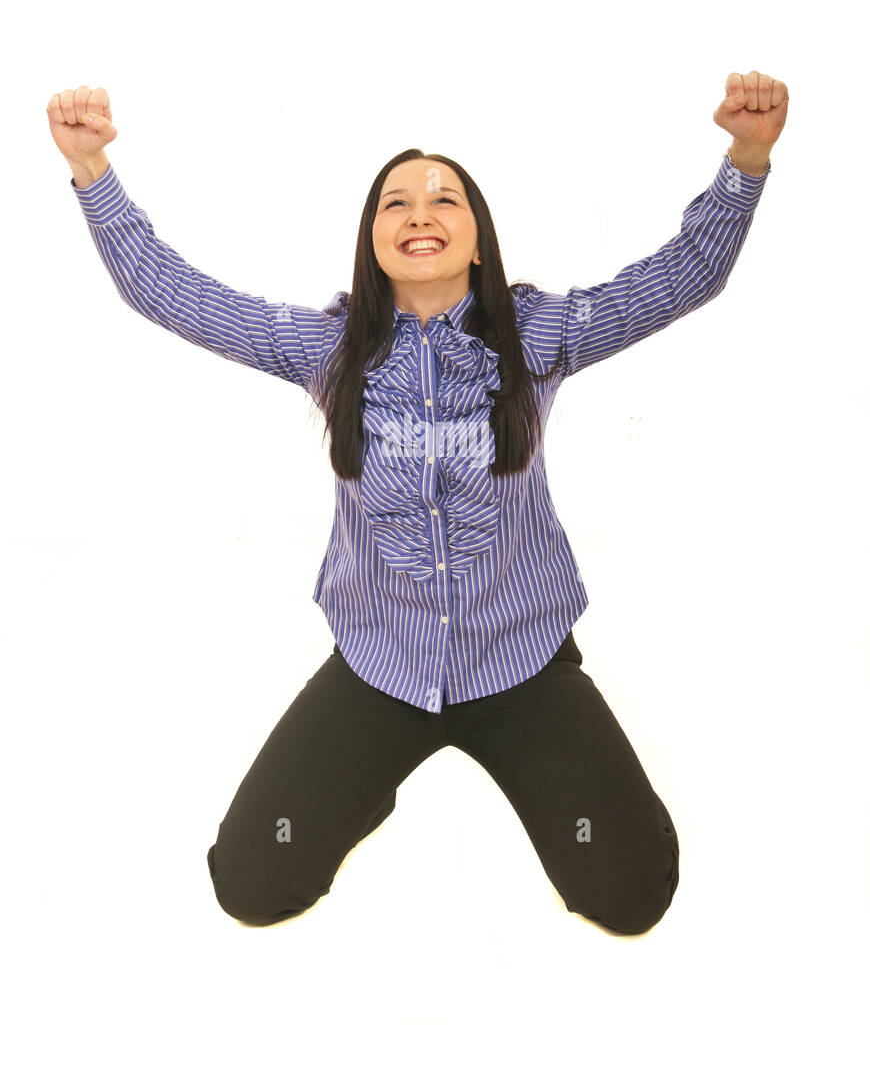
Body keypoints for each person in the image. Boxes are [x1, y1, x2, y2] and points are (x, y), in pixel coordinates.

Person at [47, 72, 788, 935]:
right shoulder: (327, 346)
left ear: (477, 240)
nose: (420, 211)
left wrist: (747, 155)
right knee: (250, 883)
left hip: (521, 664)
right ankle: (375, 781)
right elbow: (170, 293)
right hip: (382, 665)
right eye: (395, 203)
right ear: (374, 241)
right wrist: (93, 170)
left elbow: (685, 275)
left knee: (629, 898)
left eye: (446, 199)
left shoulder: (538, 334)